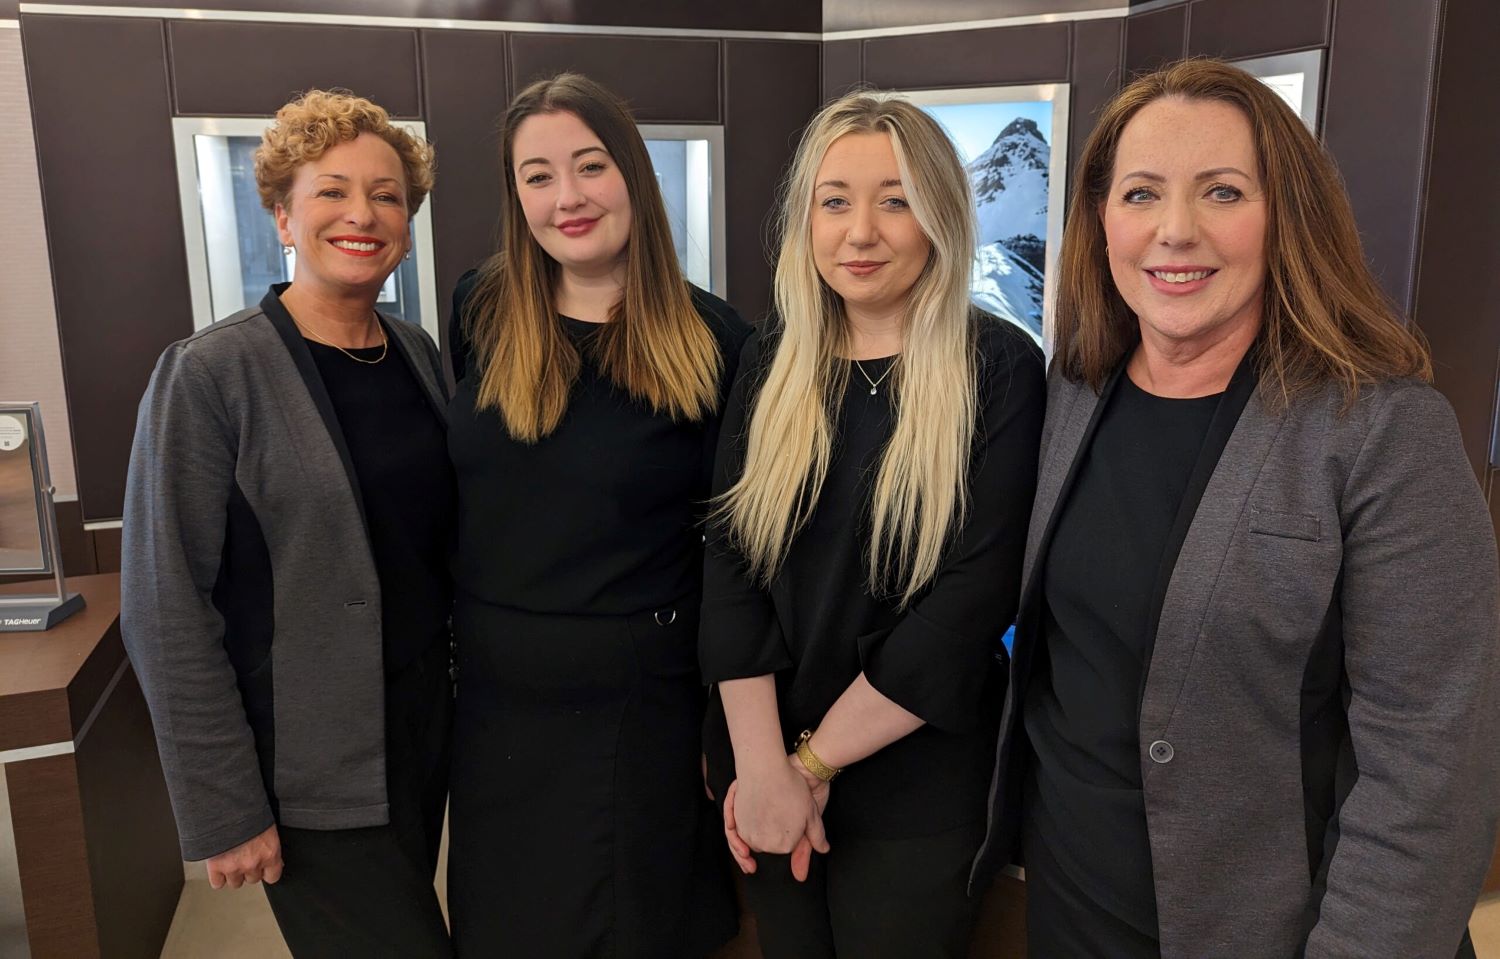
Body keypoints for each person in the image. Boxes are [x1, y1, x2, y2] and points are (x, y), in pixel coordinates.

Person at [968, 58, 1500, 959]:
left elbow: (1430, 774)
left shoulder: (1384, 432)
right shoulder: (1071, 393)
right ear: (1101, 220)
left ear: (1288, 215)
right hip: (1071, 907)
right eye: (1141, 194)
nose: (1175, 230)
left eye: (1222, 191)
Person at [700, 91, 1046, 958]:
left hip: (917, 781)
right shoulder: (769, 358)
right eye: (835, 201)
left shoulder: (999, 367)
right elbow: (730, 565)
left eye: (895, 201)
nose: (861, 232)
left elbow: (971, 599)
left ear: (939, 218)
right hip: (763, 758)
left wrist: (811, 764)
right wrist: (764, 767)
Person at [121, 90, 453, 958]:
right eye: (332, 191)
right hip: (306, 762)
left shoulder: (416, 354)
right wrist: (224, 806)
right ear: (282, 216)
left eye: (386, 195)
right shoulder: (210, 373)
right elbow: (163, 604)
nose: (362, 214)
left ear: (407, 224)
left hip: (422, 737)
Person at [444, 72, 750, 957]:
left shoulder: (717, 342)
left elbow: (734, 551)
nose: (566, 198)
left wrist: (728, 727)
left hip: (635, 705)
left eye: (589, 165)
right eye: (537, 176)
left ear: (633, 175)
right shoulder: (480, 308)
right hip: (495, 704)